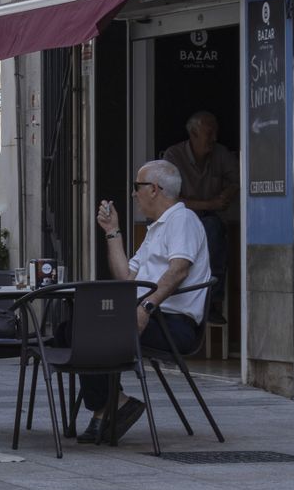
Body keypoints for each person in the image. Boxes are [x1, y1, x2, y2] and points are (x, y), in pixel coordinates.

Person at [89, 158, 211, 445]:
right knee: (70, 330)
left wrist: (146, 307)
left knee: (93, 333)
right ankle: (112, 403)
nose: (134, 193)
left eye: (137, 186)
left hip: (173, 325)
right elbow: (125, 279)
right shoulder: (156, 228)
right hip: (151, 316)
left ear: (154, 189)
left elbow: (179, 268)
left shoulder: (182, 219)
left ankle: (108, 408)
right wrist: (111, 231)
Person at [161, 111, 237, 319]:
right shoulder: (173, 155)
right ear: (193, 134)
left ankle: (212, 301)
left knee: (213, 230)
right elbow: (169, 198)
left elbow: (238, 180)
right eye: (209, 133)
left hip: (211, 221)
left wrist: (227, 193)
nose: (213, 138)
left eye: (215, 133)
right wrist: (210, 203)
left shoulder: (221, 154)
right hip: (180, 221)